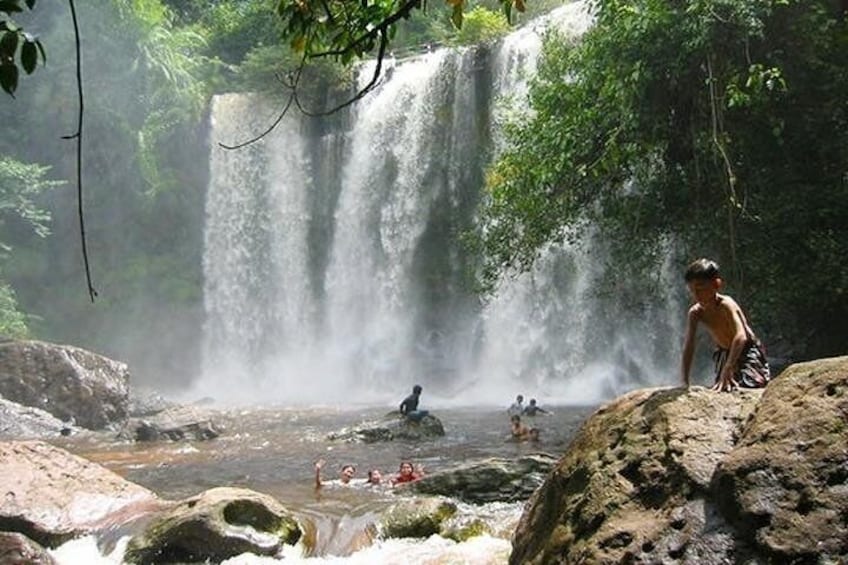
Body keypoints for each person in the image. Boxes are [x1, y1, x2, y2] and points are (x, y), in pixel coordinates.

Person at [681, 258, 771, 392]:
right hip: (724, 354)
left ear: (716, 284)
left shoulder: (726, 304)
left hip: (746, 351)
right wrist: (684, 381)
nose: (696, 295)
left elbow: (741, 336)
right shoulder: (695, 313)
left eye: (701, 288)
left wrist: (728, 367)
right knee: (724, 388)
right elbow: (689, 346)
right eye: (692, 290)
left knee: (748, 384)